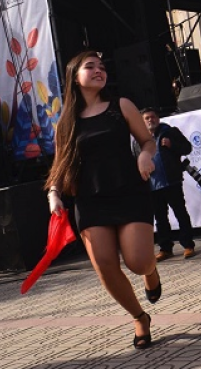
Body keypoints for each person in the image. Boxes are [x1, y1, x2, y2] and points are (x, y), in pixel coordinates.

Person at [44, 51, 160, 350]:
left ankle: (150, 271)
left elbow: (147, 140)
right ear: (74, 77)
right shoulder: (65, 123)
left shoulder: (121, 106)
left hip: (128, 190)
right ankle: (139, 317)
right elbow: (60, 165)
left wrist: (145, 155)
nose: (99, 70)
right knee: (105, 266)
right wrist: (54, 194)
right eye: (90, 66)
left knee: (138, 262)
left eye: (102, 67)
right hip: (90, 200)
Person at [139, 108, 196, 262]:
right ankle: (165, 248)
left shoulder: (170, 132)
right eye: (146, 118)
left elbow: (187, 148)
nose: (150, 120)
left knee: (180, 213)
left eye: (152, 117)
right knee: (160, 218)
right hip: (152, 185)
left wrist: (172, 145)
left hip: (172, 181)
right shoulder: (139, 140)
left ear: (158, 118)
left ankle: (188, 245)